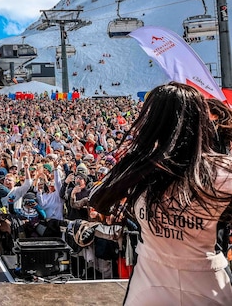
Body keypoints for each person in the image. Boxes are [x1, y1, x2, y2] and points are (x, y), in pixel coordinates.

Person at [90, 82, 232, 305]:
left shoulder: (138, 170)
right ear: (200, 121)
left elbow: (97, 200)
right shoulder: (223, 171)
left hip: (149, 287)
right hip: (208, 285)